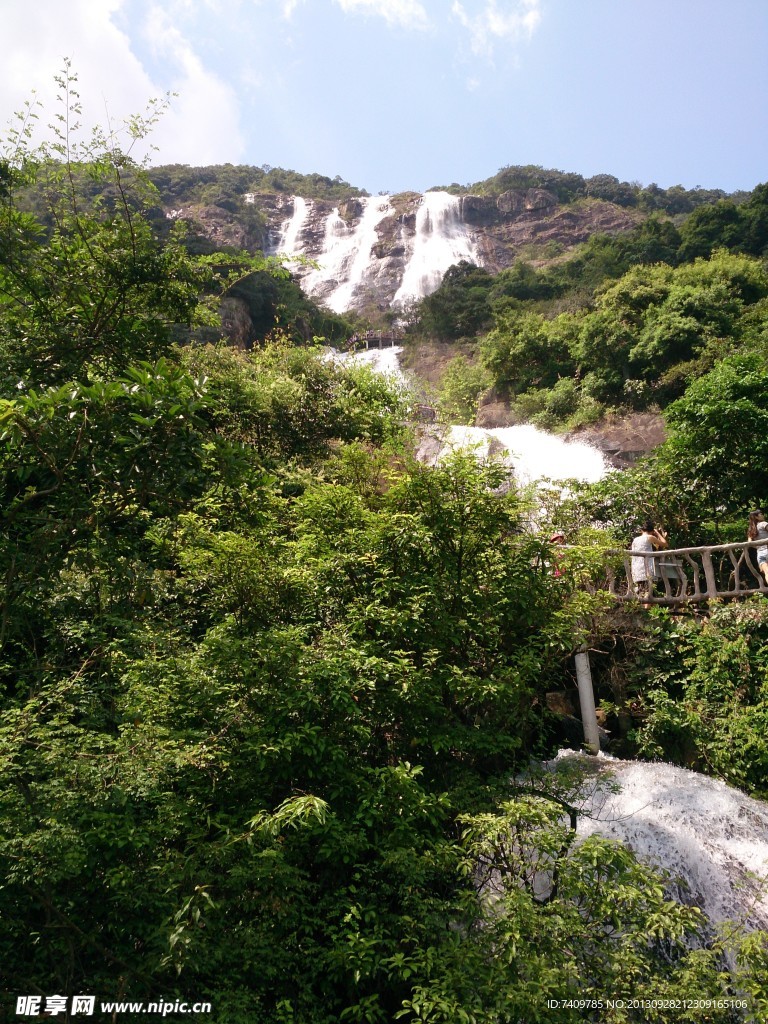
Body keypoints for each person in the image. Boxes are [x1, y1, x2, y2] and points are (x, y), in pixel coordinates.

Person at [630, 521, 668, 606]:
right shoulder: (650, 537)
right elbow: (665, 544)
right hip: (647, 568)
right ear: (652, 531)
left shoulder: (635, 540)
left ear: (641, 530)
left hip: (637, 568)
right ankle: (647, 609)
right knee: (649, 591)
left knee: (642, 590)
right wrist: (658, 533)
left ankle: (645, 609)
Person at [747, 510, 768, 584]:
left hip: (760, 553)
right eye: (761, 514)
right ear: (756, 517)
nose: (763, 515)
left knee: (767, 573)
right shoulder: (764, 524)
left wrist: (758, 547)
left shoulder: (751, 529)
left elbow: (749, 543)